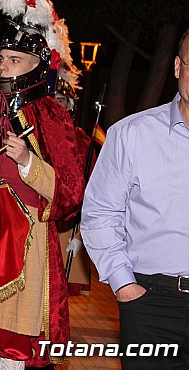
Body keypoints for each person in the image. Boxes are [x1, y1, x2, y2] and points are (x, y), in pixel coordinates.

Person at [0, 19, 84, 369]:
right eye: (1, 58)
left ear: (37, 65)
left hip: (29, 244)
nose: (4, 65)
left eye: (14, 58)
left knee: (15, 342)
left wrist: (29, 162)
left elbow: (71, 193)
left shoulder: (53, 116)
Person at [81, 28, 189, 369]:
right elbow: (99, 214)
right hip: (152, 306)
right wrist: (125, 286)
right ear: (177, 67)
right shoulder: (131, 134)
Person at [51, 78, 92, 296]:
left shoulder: (82, 142)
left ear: (70, 105)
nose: (56, 106)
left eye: (61, 100)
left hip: (67, 227)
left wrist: (80, 237)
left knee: (59, 294)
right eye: (53, 100)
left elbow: (93, 194)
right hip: (38, 225)